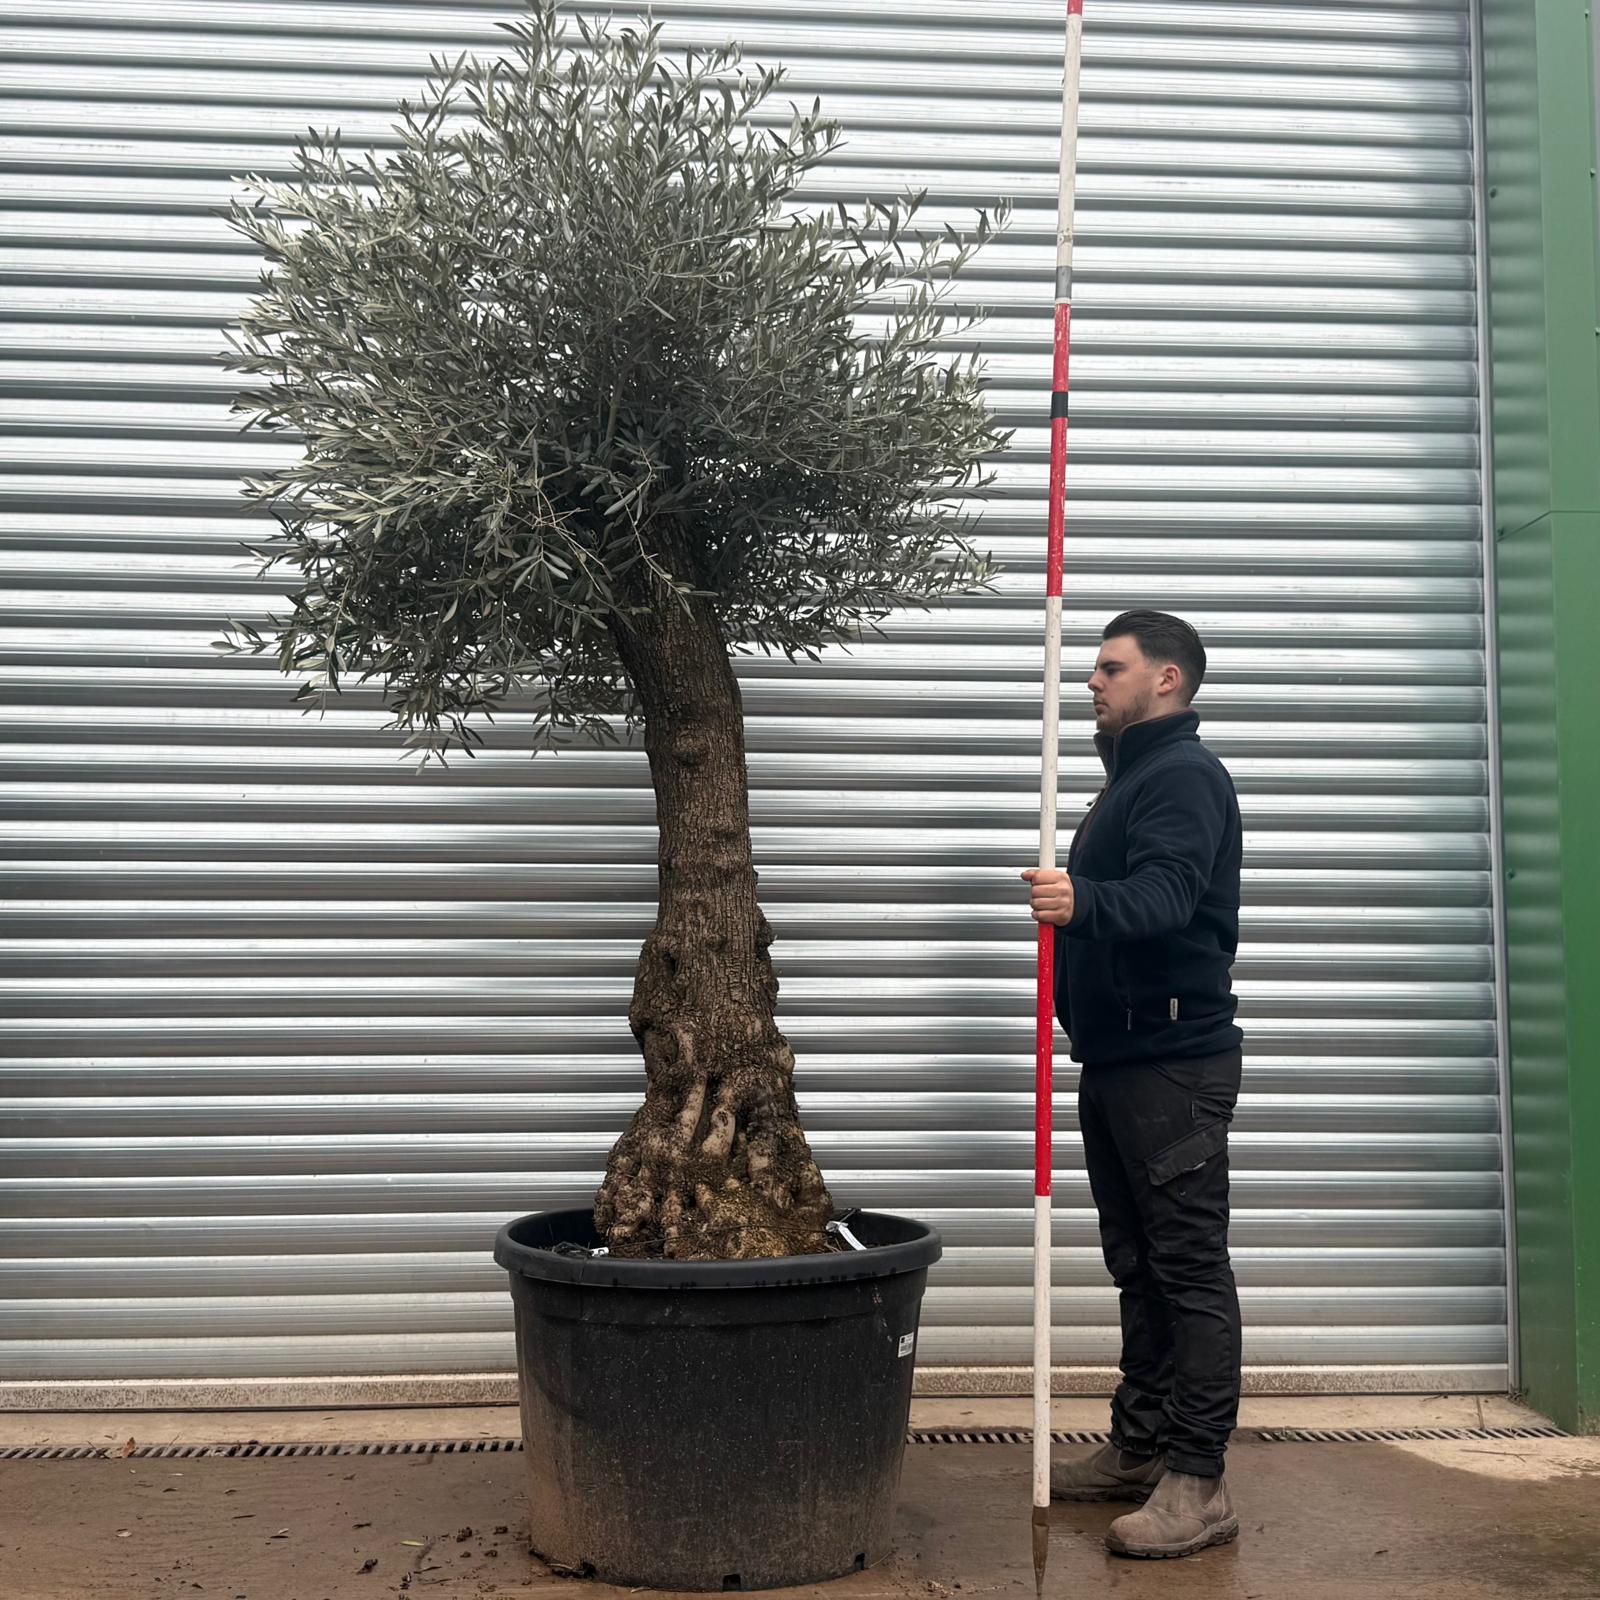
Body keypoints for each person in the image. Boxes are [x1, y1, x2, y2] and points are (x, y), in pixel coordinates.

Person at [1022, 609, 1244, 1560]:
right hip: (1118, 1062)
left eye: (1110, 669)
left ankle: (1198, 1482)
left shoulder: (1182, 778)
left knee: (1186, 1269)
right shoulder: (1135, 782)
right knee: (1139, 1267)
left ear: (1167, 680)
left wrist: (1082, 901)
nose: (1092, 683)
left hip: (1170, 1065)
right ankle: (1140, 1448)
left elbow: (1168, 897)